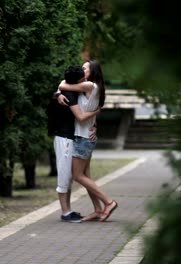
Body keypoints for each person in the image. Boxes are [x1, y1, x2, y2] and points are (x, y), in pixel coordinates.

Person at [57, 59, 118, 222]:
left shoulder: (90, 86)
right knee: (86, 175)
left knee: (77, 176)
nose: (82, 71)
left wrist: (60, 91)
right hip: (85, 137)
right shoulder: (89, 88)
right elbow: (63, 86)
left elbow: (63, 84)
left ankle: (108, 202)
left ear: (93, 72)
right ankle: (98, 209)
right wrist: (58, 94)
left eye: (85, 69)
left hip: (83, 138)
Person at [47, 65, 100, 222]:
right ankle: (65, 212)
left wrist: (94, 125)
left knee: (69, 175)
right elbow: (81, 117)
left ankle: (68, 210)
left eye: (86, 71)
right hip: (64, 137)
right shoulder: (70, 94)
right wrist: (98, 110)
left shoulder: (75, 90)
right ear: (77, 80)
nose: (85, 76)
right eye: (82, 75)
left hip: (72, 137)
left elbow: (63, 84)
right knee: (64, 174)